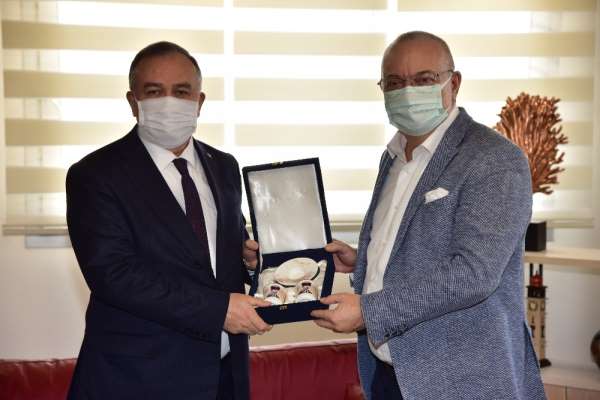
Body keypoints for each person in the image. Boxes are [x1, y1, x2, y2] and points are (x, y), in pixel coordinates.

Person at [310, 31, 546, 399]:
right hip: (390, 373)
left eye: (423, 80)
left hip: (461, 380)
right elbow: (415, 244)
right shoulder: (392, 158)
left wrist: (369, 312)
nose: (407, 92)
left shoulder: (494, 158)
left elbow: (473, 273)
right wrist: (364, 262)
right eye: (394, 82)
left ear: (454, 83)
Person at [66, 41, 271, 400]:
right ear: (133, 102)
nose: (169, 102)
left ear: (199, 101)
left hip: (225, 376)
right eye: (154, 92)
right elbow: (113, 274)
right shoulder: (95, 174)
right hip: (138, 379)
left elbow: (217, 254)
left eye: (181, 91)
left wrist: (251, 262)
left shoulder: (224, 166)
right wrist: (218, 310)